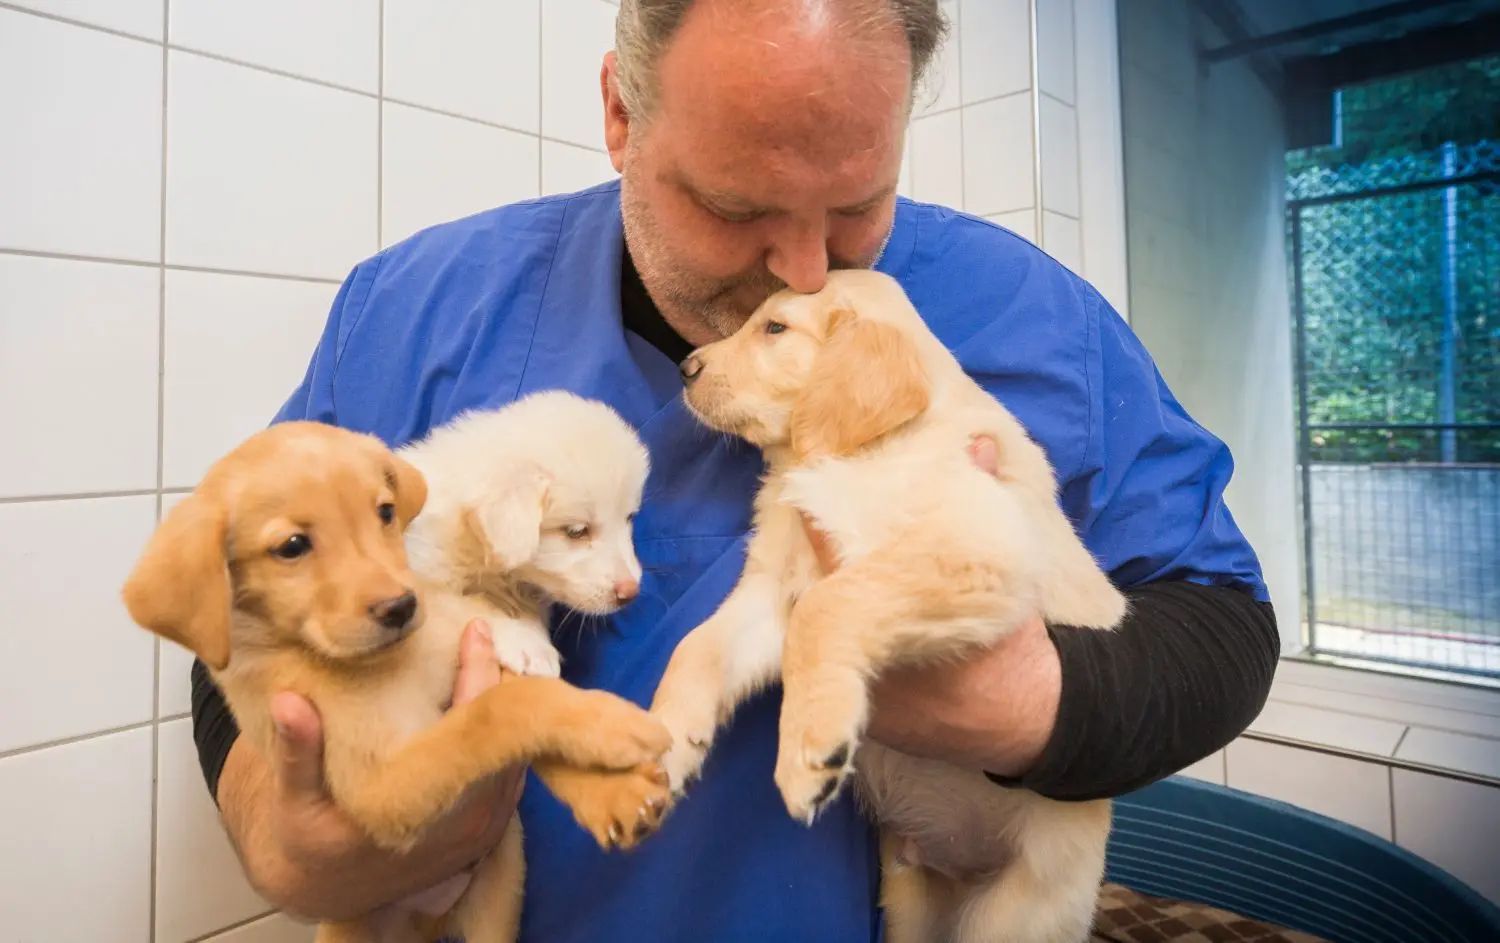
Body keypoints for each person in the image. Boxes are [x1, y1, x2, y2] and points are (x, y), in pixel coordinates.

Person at [188, 0, 1279, 939]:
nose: (802, 271)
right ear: (621, 114)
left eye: (858, 205)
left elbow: (1223, 625)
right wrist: (279, 835)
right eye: (735, 208)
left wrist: (1033, 705)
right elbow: (246, 609)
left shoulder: (1033, 319)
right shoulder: (415, 311)